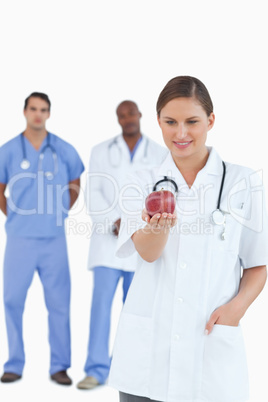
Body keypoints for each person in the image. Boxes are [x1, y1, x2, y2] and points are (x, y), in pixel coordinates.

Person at [108, 76, 268, 402]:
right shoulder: (140, 181)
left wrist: (236, 309)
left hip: (211, 347)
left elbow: (258, 263)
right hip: (149, 355)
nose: (181, 133)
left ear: (210, 120)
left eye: (192, 121)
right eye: (171, 122)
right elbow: (148, 254)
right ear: (158, 122)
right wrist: (159, 228)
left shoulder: (243, 182)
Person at [76, 100, 167, 390]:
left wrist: (135, 225)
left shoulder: (159, 153)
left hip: (140, 245)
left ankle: (130, 371)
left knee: (137, 312)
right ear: (118, 119)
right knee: (101, 308)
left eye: (132, 113)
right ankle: (96, 369)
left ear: (140, 116)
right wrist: (115, 222)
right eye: (122, 115)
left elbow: (160, 195)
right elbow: (94, 193)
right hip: (106, 244)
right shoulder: (101, 151)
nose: (127, 118)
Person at [0, 92, 84, 385]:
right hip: (19, 239)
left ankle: (59, 366)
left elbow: (76, 182)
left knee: (59, 303)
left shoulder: (62, 148)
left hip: (53, 239)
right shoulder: (9, 150)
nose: (38, 114)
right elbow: (0, 188)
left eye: (44, 109)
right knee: (11, 301)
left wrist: (60, 211)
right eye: (33, 109)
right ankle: (14, 363)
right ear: (25, 111)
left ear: (49, 113)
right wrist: (13, 215)